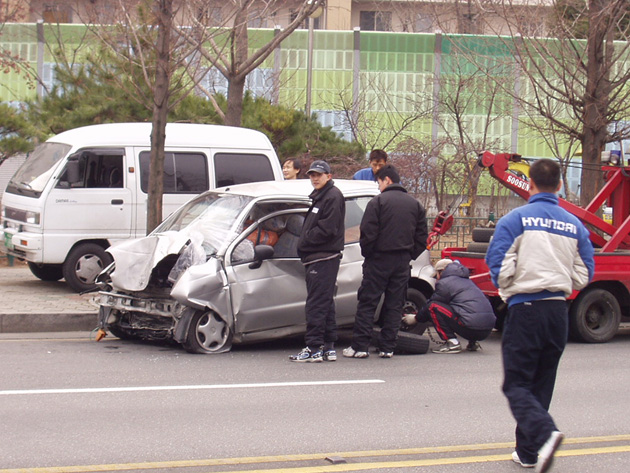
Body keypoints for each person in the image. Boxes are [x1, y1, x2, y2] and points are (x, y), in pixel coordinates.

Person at [486, 158, 594, 473]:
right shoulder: (575, 224)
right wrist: (564, 285)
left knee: (516, 385)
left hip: (526, 308)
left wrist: (511, 286)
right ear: (560, 185)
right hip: (558, 310)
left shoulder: (515, 219)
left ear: (529, 185)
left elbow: (498, 263)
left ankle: (546, 435)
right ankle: (528, 453)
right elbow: (585, 271)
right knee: (541, 385)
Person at [343, 164, 427, 359]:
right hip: (402, 262)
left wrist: (370, 254)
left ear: (387, 180)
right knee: (394, 304)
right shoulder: (415, 205)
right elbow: (422, 237)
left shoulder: (377, 203)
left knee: (368, 302)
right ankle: (388, 347)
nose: (378, 186)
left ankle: (360, 347)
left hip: (378, 260)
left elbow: (368, 233)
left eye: (379, 182)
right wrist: (409, 254)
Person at [290, 160, 345, 363]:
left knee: (315, 304)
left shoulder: (332, 196)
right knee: (325, 302)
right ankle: (328, 347)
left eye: (319, 175)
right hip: (318, 257)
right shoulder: (320, 196)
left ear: (328, 176)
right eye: (312, 175)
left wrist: (305, 240)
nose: (314, 178)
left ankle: (313, 347)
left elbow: (327, 229)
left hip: (323, 257)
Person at [402, 258, 496, 354]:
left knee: (433, 306)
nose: (437, 279)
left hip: (470, 327)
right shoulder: (467, 281)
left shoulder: (444, 283)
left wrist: (415, 319)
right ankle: (473, 342)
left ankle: (452, 343)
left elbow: (430, 305)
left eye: (436, 276)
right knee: (466, 310)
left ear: (441, 271)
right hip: (486, 330)